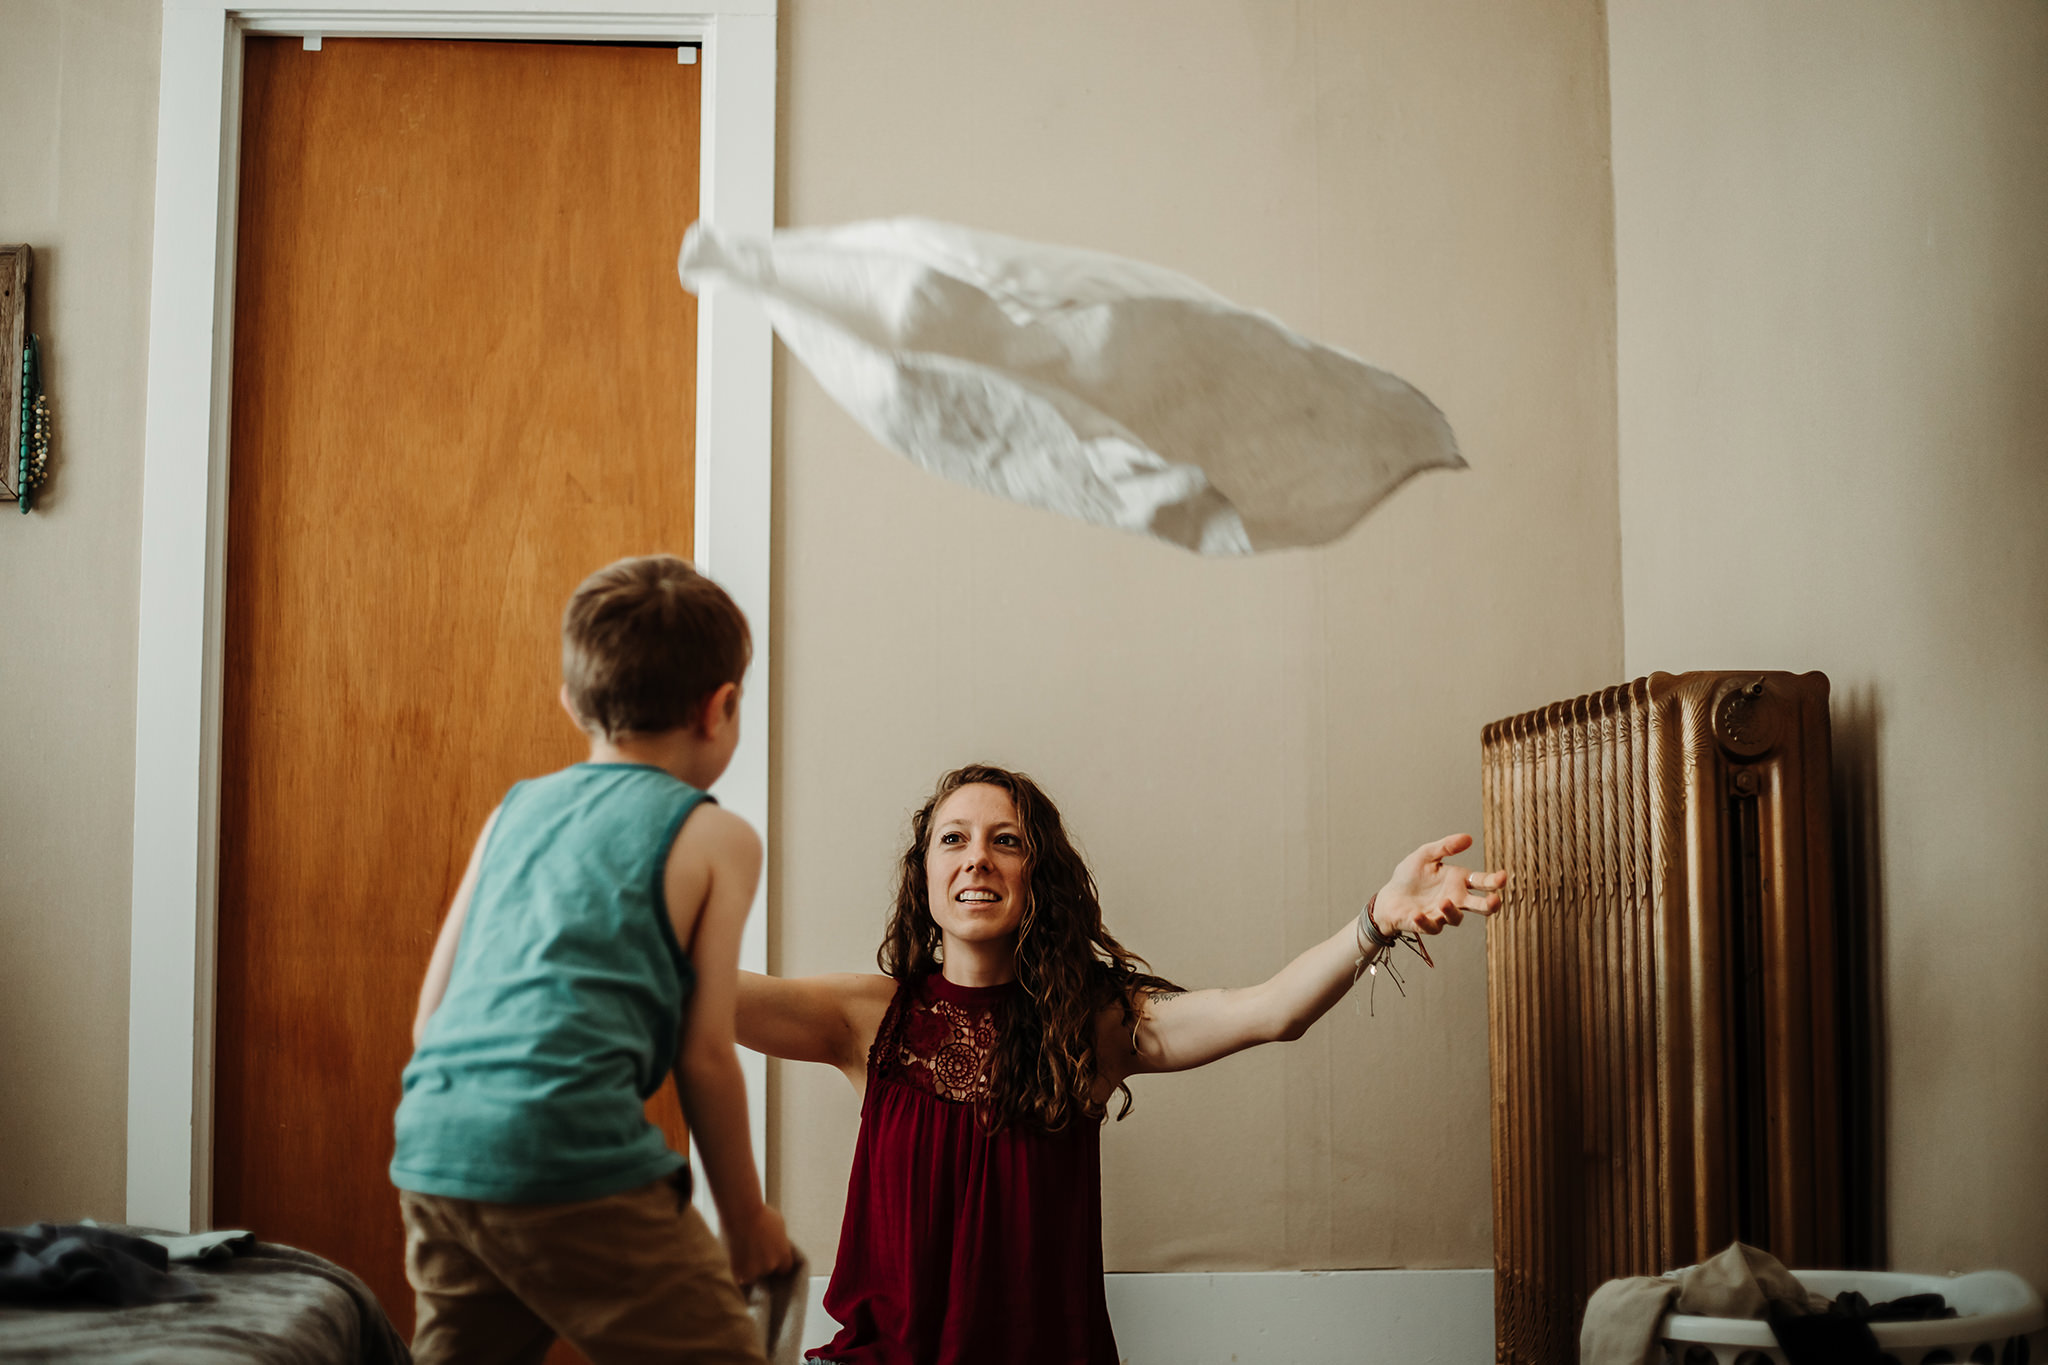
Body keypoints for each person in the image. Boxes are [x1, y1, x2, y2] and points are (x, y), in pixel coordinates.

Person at [738, 763, 1506, 1365]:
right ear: (925, 874)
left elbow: (1271, 1010)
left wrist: (1376, 919)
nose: (978, 857)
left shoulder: (1095, 1024)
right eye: (954, 838)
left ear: (1037, 873)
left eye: (1006, 839)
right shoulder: (867, 1017)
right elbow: (696, 994)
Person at [392, 555, 795, 1365]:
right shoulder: (719, 838)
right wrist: (746, 1221)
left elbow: (429, 1016)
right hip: (563, 1143)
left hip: (435, 1147)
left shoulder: (516, 809)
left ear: (572, 701)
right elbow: (705, 1054)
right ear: (720, 708)